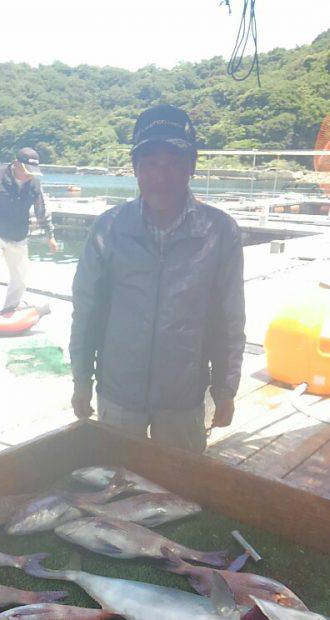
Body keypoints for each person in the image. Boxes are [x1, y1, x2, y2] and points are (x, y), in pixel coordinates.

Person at [69, 104, 245, 453]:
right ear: (135, 169)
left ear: (192, 166)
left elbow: (228, 318)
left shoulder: (219, 231)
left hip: (184, 398)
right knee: (114, 484)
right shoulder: (108, 228)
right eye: (150, 163)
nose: (161, 175)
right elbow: (86, 310)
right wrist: (81, 381)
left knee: (181, 492)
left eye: (174, 162)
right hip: (118, 392)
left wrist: (225, 389)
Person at [0, 147, 57, 314]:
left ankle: (10, 308)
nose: (30, 174)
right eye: (27, 170)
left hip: (18, 235)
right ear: (16, 164)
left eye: (33, 171)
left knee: (20, 278)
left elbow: (41, 210)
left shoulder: (34, 183)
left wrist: (50, 235)